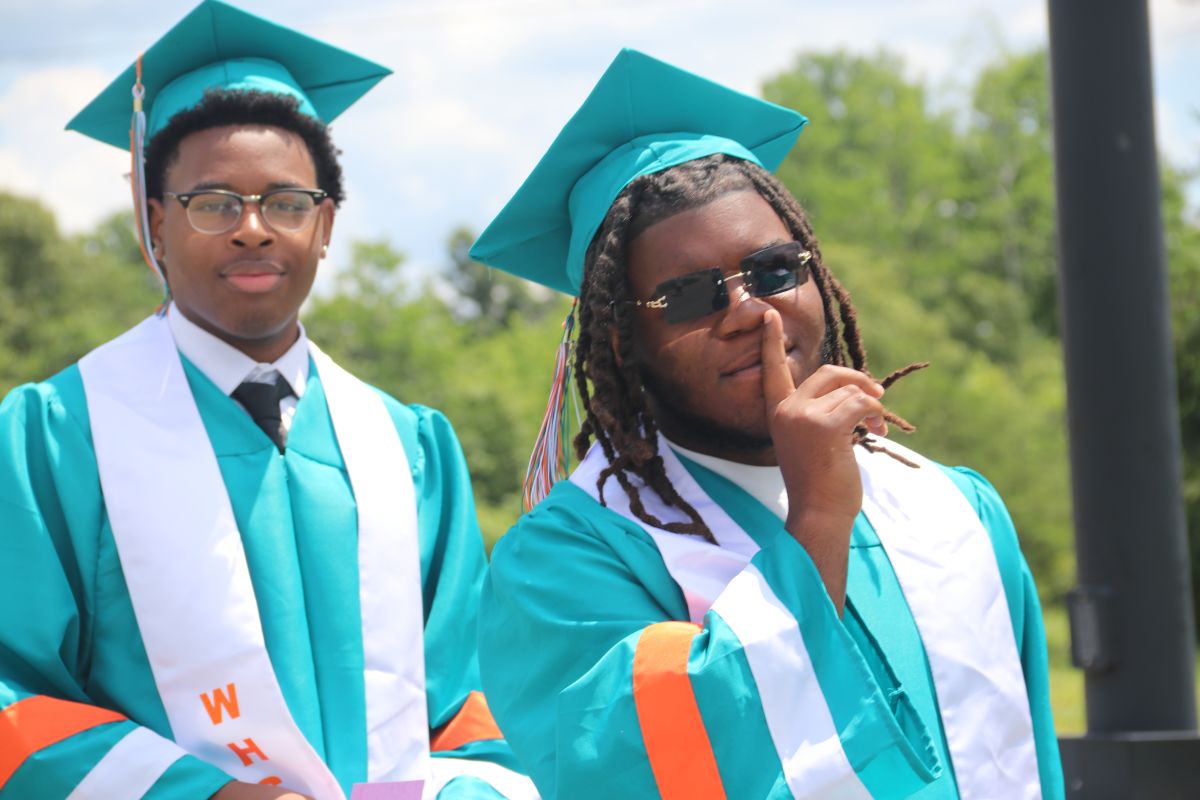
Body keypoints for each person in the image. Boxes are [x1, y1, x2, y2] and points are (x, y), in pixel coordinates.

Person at [470, 49, 1065, 799]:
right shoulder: (570, 560)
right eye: (689, 295)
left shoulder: (958, 510)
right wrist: (814, 520)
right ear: (623, 339)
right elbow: (635, 774)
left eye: (776, 269)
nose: (750, 310)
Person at [0, 2, 534, 799]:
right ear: (153, 225)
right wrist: (197, 794)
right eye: (212, 203)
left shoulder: (408, 445)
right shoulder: (54, 436)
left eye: (286, 203)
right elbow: (13, 693)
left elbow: (471, 702)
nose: (253, 230)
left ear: (325, 226)